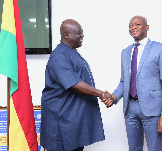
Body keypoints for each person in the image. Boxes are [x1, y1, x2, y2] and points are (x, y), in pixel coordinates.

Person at [40, 19, 113, 151]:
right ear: (67, 34)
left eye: (82, 32)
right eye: (79, 33)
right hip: (62, 122)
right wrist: (102, 94)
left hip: (73, 122)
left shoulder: (71, 52)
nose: (82, 35)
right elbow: (75, 84)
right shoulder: (59, 55)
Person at [104, 15, 162, 151]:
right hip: (130, 109)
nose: (133, 27)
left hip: (152, 111)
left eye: (137, 24)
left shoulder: (161, 49)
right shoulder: (125, 52)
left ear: (147, 27)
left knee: (155, 148)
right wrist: (113, 97)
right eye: (130, 25)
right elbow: (124, 81)